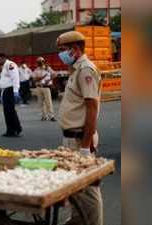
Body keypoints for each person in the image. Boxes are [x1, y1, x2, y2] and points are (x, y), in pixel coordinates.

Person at [56, 31, 103, 225]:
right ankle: (77, 221)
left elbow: (92, 108)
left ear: (75, 49)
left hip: (79, 138)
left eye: (65, 50)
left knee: (88, 190)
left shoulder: (85, 70)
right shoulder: (76, 69)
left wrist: (85, 147)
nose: (63, 54)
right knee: (75, 188)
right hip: (72, 137)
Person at [0, 53, 22, 137]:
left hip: (10, 90)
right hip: (6, 91)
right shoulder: (4, 66)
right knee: (8, 111)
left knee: (10, 111)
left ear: (3, 58)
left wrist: (15, 91)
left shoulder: (10, 64)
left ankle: (14, 129)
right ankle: (13, 129)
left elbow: (15, 77)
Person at [32, 57, 57, 121]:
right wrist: (41, 77)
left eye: (41, 61)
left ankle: (51, 116)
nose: (40, 63)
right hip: (39, 87)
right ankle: (44, 116)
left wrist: (49, 80)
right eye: (38, 62)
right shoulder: (36, 70)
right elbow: (34, 79)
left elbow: (54, 74)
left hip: (46, 87)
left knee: (48, 102)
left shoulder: (48, 68)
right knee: (41, 103)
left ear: (43, 61)